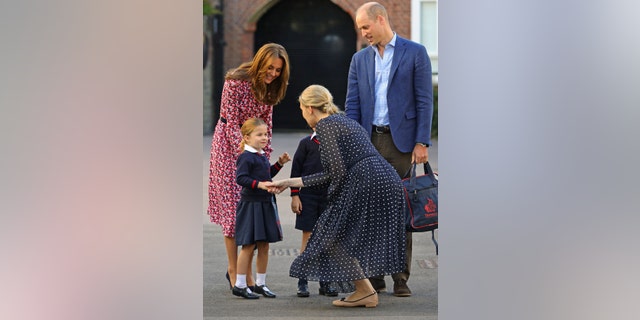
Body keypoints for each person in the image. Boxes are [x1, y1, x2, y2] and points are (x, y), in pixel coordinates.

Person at [267, 84, 406, 308]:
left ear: (310, 108)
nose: (303, 115)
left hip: (365, 181)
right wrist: (289, 183)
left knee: (330, 235)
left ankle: (365, 291)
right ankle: (365, 291)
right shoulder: (346, 121)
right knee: (346, 236)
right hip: (385, 179)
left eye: (302, 109)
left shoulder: (325, 126)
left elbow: (335, 173)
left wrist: (294, 185)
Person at [345, 2, 434, 297]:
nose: (363, 33)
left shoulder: (415, 52)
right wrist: (352, 144)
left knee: (399, 209)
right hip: (369, 141)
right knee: (369, 210)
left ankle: (401, 278)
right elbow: (352, 105)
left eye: (365, 26)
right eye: (361, 29)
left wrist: (422, 142)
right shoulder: (359, 60)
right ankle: (375, 277)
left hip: (402, 144)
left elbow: (424, 100)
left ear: (380, 20)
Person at [207, 43, 290, 292]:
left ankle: (247, 274)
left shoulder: (272, 87)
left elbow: (268, 124)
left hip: (254, 150)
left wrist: (264, 157)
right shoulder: (235, 81)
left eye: (278, 70)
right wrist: (247, 154)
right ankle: (234, 271)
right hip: (228, 148)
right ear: (260, 62)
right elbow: (231, 122)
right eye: (271, 67)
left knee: (253, 212)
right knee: (234, 213)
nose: (274, 73)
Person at [232, 118, 291, 299]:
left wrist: (279, 164)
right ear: (247, 137)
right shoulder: (245, 157)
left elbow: (266, 175)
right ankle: (240, 285)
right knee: (248, 245)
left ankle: (260, 284)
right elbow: (241, 179)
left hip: (265, 204)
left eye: (265, 134)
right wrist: (260, 185)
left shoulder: (261, 155)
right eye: (259, 135)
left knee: (264, 245)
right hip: (251, 205)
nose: (264, 137)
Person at [288, 128, 337, 298]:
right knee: (308, 238)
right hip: (307, 196)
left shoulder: (336, 144)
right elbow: (296, 171)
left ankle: (326, 281)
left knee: (327, 239)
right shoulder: (306, 143)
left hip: (329, 197)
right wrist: (295, 196)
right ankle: (302, 280)